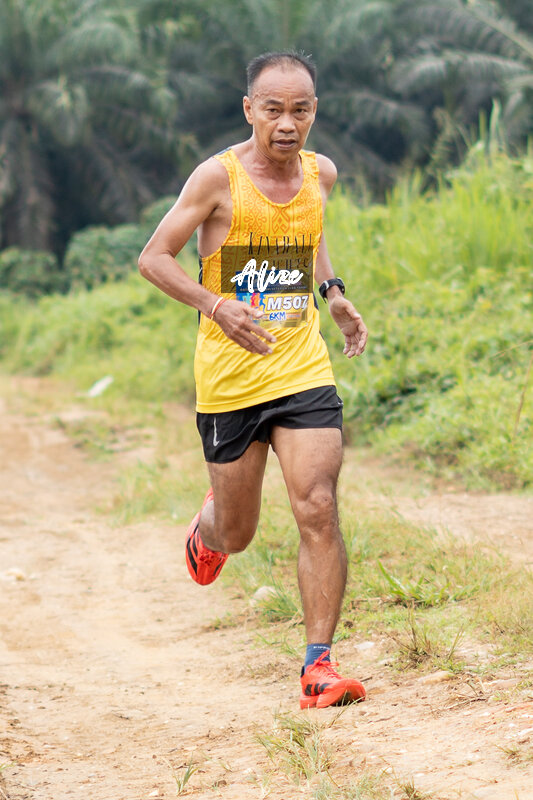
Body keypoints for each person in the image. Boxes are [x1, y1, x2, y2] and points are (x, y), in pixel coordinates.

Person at [139, 51, 368, 709]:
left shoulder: (321, 174)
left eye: (300, 110)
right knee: (237, 532)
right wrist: (216, 305)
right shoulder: (217, 178)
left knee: (317, 503)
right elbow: (154, 258)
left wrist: (332, 292)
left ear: (314, 111)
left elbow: (309, 233)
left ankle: (318, 667)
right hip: (230, 380)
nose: (287, 123)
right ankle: (208, 529)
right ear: (249, 110)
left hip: (301, 366)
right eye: (273, 110)